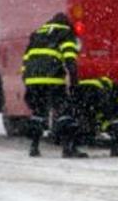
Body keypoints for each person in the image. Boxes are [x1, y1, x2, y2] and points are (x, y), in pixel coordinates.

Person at [21, 12, 86, 158]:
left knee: (38, 113)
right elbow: (70, 59)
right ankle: (68, 148)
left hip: (32, 80)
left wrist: (27, 79)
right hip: (52, 79)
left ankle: (34, 147)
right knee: (65, 113)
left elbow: (26, 59)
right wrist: (74, 82)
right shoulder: (65, 33)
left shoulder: (37, 34)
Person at [72, 76, 118, 157]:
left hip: (78, 93)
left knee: (79, 122)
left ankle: (70, 148)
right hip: (92, 94)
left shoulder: (107, 86)